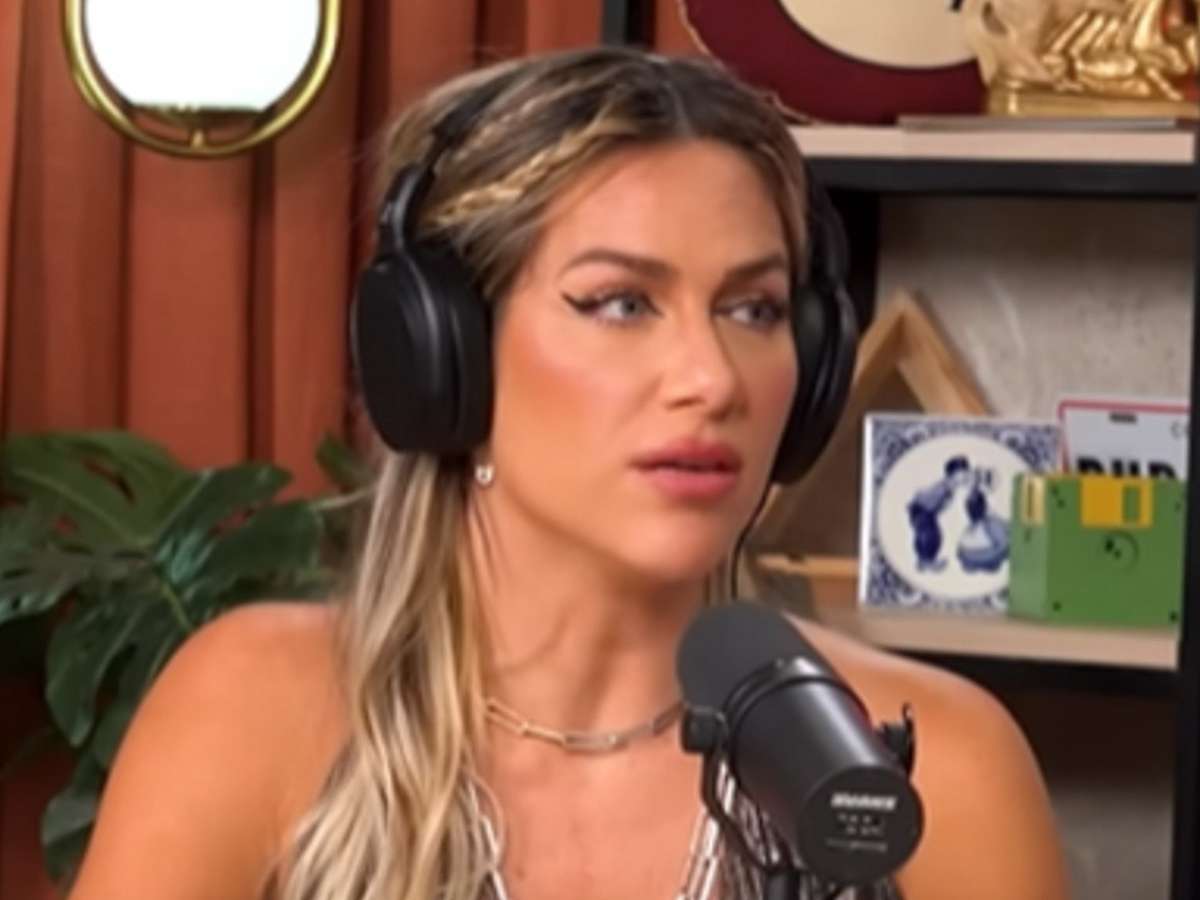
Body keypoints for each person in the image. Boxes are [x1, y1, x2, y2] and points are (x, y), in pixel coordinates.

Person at [66, 47, 1071, 900]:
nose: (712, 378)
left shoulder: (933, 770)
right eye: (621, 303)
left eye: (754, 309)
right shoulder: (250, 715)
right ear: (444, 358)